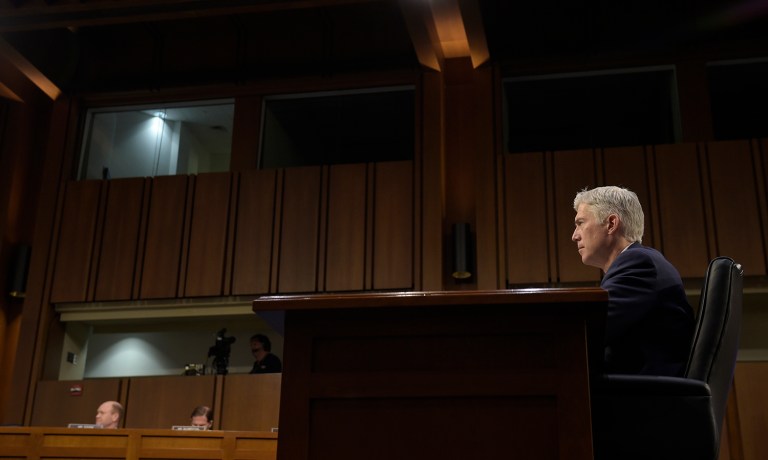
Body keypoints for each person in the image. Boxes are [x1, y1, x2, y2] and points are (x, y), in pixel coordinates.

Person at [571, 186, 694, 376]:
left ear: (611, 224)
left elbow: (588, 331)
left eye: (580, 223)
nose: (575, 236)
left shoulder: (639, 264)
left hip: (645, 390)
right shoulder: (639, 262)